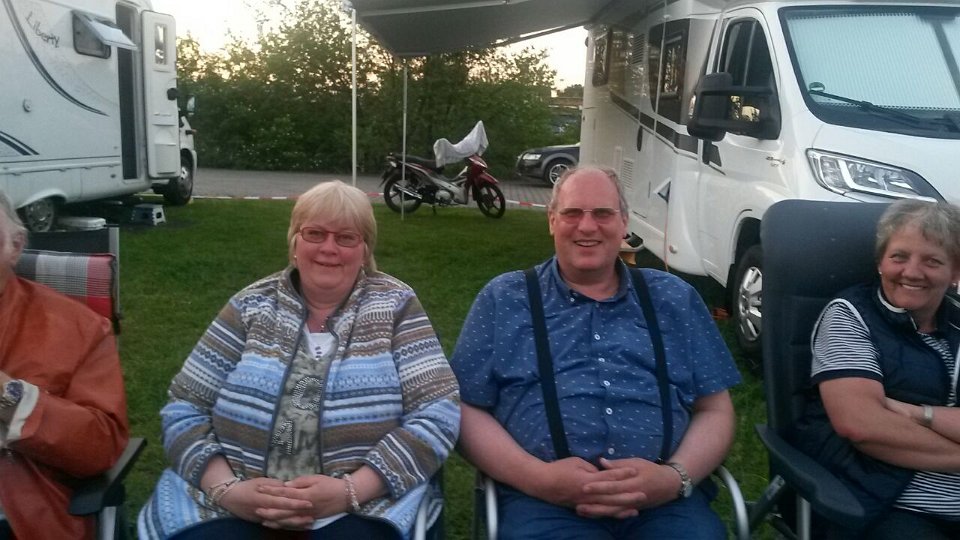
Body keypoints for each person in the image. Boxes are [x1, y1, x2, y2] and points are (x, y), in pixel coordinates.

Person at [138, 180, 460, 540]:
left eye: (346, 238)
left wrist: (350, 491)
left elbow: (437, 411)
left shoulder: (395, 306)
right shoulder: (250, 305)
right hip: (232, 501)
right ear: (294, 242)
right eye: (315, 233)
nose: (328, 248)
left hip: (365, 505)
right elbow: (185, 406)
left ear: (365, 249)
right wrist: (227, 489)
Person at [452, 167, 741, 539]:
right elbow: (464, 408)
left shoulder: (673, 297)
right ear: (552, 221)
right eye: (572, 213)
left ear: (624, 223)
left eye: (603, 214)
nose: (587, 226)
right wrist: (538, 478)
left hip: (665, 504)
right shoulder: (505, 299)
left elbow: (715, 409)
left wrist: (673, 478)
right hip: (543, 504)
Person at [793, 199, 960, 539]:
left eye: (932, 261)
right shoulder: (850, 316)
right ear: (880, 262)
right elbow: (862, 425)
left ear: (955, 272)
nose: (912, 272)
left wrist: (917, 414)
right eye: (899, 256)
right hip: (882, 503)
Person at [0, 192, 129, 539]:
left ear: (15, 246)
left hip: (17, 507)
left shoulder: (77, 328)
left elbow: (101, 445)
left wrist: (10, 399)